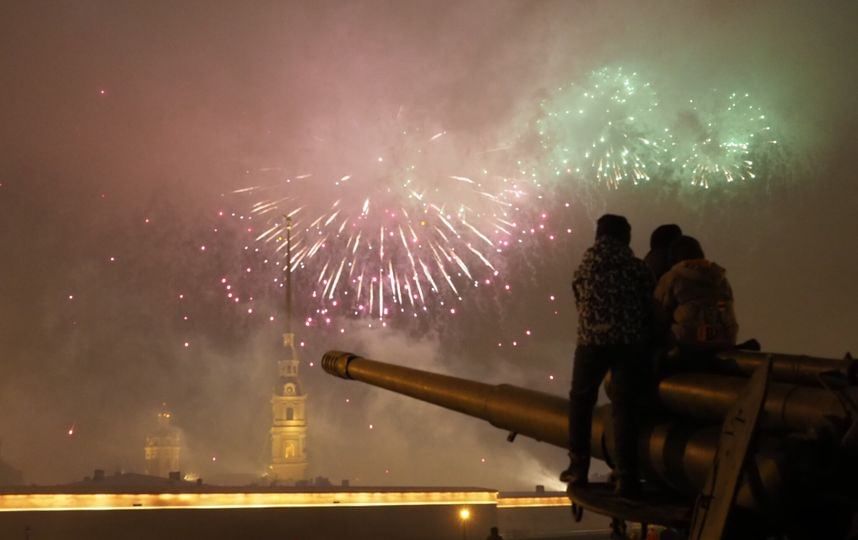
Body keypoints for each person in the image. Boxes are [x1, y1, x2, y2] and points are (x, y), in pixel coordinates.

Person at [561, 214, 654, 497]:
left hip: (591, 341)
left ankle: (578, 469)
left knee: (581, 402)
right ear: (625, 237)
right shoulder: (635, 267)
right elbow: (648, 301)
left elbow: (579, 301)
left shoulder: (585, 267)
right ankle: (626, 476)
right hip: (628, 342)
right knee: (624, 408)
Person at [653, 235, 738, 353]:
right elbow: (727, 315)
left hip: (685, 343)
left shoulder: (673, 277)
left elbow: (658, 313)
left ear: (673, 258)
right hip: (721, 342)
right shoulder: (720, 278)